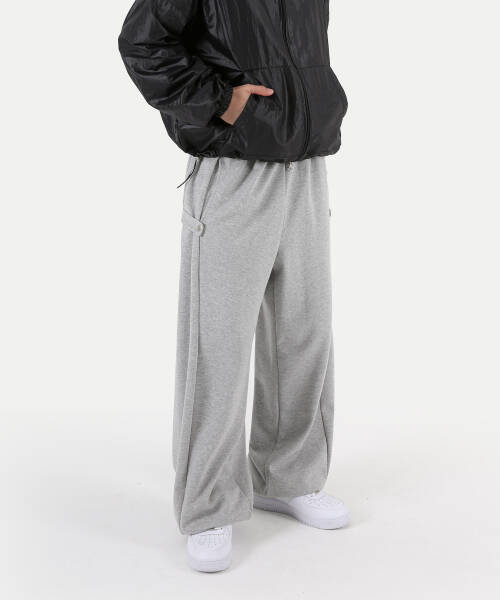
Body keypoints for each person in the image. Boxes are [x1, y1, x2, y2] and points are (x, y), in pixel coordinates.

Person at [119, 0, 349, 573]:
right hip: (233, 165)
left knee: (304, 332)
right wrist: (222, 102)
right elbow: (143, 42)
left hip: (307, 162)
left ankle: (286, 476)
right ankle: (208, 504)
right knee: (217, 344)